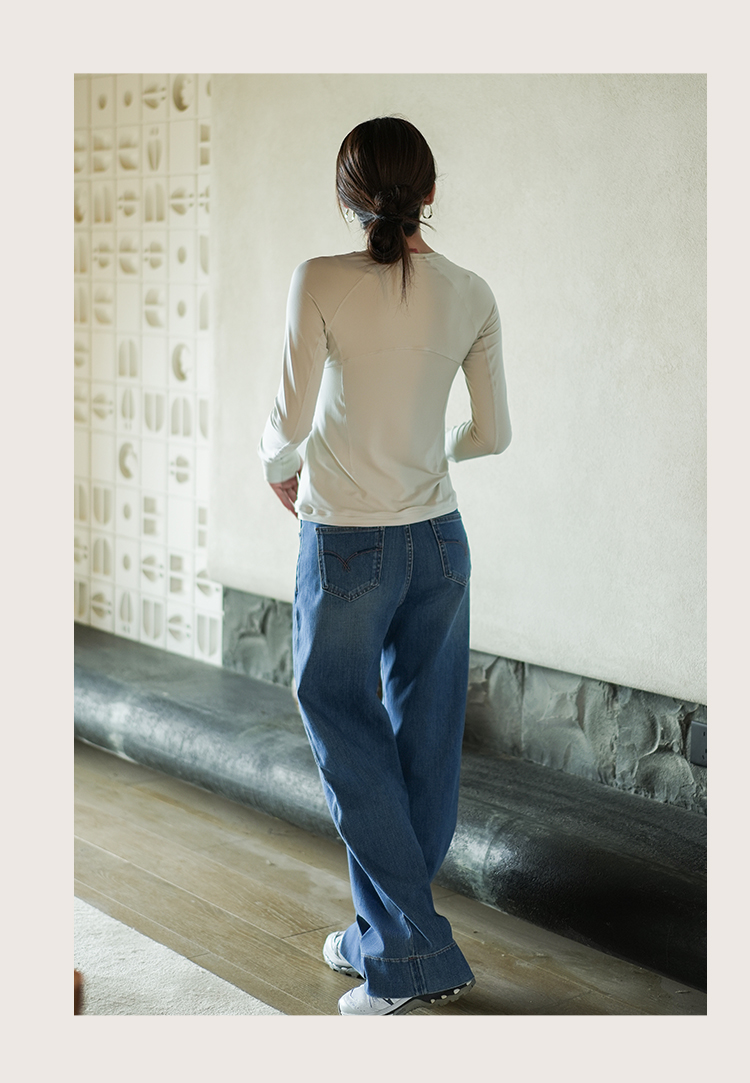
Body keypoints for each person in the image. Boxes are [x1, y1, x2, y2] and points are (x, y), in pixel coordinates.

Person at [259, 116, 511, 1016]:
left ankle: (411, 955)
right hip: (440, 541)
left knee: (341, 718)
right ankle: (383, 935)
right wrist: (435, 450)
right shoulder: (472, 292)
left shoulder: (320, 280)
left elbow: (287, 425)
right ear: (430, 195)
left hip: (347, 542)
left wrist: (276, 469)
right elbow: (493, 433)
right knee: (426, 739)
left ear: (348, 199)